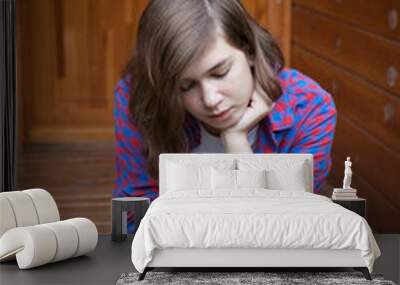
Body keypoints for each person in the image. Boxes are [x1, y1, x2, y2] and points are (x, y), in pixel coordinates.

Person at [113, 0, 337, 232]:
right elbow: (135, 218)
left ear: (249, 50)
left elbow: (289, 227)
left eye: (220, 73)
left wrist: (237, 143)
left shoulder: (309, 109)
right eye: (186, 86)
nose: (210, 100)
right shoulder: (141, 98)